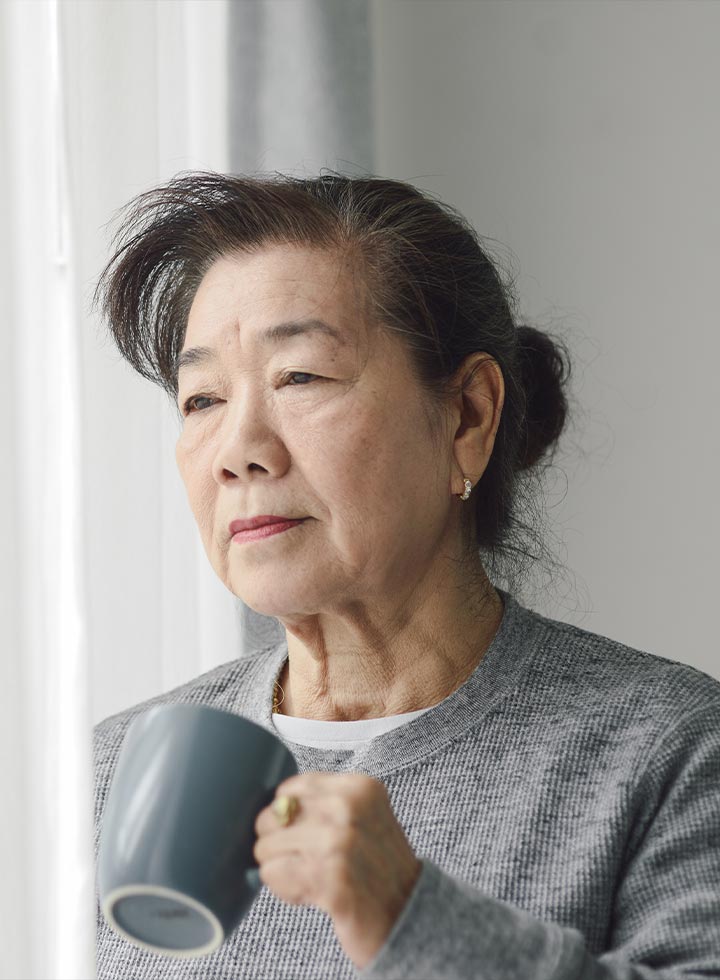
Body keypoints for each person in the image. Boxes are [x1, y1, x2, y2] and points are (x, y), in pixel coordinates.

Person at [92, 171, 720, 980]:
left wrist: (413, 919)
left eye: (300, 377)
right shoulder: (107, 775)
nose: (238, 448)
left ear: (466, 418)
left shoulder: (665, 749)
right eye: (202, 397)